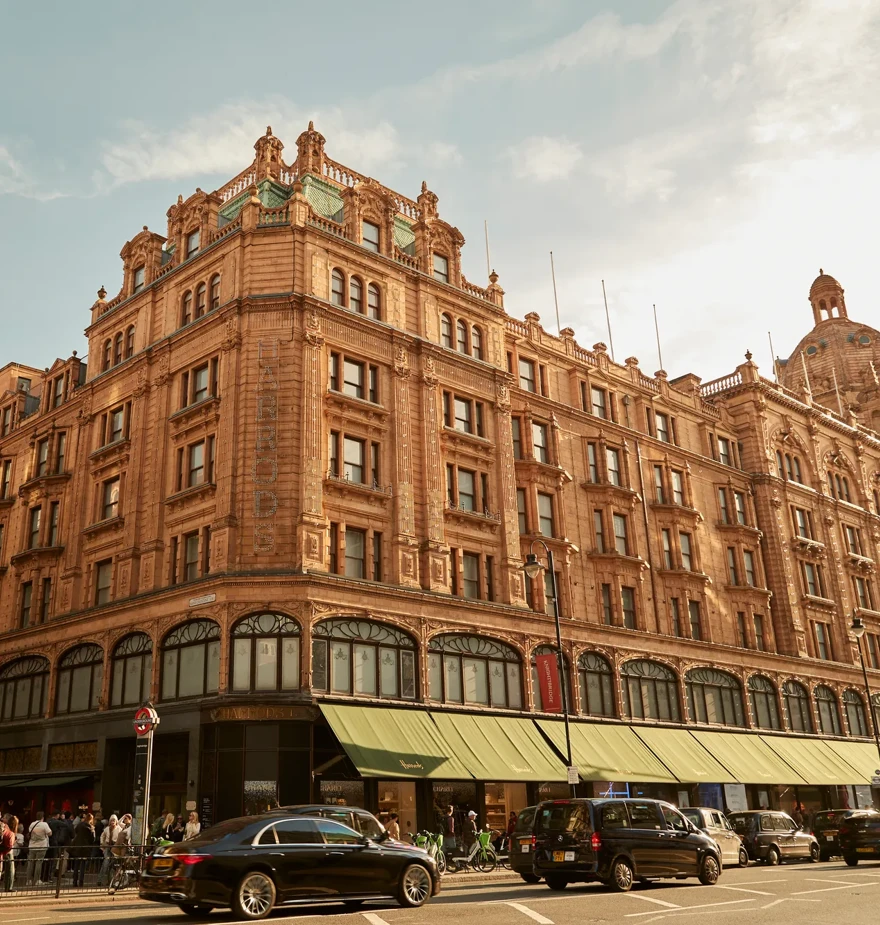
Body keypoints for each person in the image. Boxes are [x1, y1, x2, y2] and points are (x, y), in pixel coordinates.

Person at [70, 812, 95, 887]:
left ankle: (74, 881)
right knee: (83, 866)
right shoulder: (91, 827)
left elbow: (76, 832)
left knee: (76, 865)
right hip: (85, 847)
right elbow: (92, 839)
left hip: (78, 846)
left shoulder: (80, 825)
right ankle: (81, 881)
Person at [26, 811, 52, 885]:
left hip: (32, 845)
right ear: (42, 817)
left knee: (30, 863)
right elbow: (50, 833)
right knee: (38, 863)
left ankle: (28, 880)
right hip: (41, 845)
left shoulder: (32, 824)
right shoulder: (44, 824)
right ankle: (37, 880)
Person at [98, 815, 119, 886]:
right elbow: (102, 836)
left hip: (115, 848)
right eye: (111, 820)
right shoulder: (106, 829)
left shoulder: (119, 829)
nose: (112, 822)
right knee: (105, 864)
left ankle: (110, 881)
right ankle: (100, 880)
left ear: (116, 822)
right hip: (107, 847)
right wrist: (102, 843)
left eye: (114, 820)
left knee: (113, 865)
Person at [0, 818, 14, 892]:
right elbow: (10, 845)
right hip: (6, 852)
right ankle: (8, 887)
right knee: (10, 870)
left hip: (2, 852)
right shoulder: (9, 832)